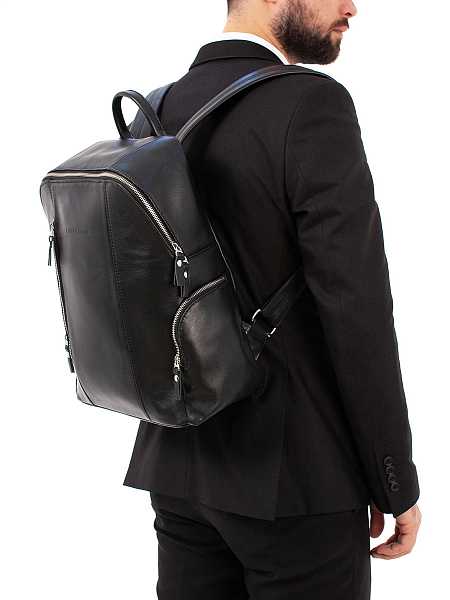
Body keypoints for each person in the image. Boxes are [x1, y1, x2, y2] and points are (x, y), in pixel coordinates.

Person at [123, 1, 422, 597]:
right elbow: (356, 308)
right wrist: (393, 478)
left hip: (178, 467)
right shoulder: (312, 104)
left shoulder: (154, 112)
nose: (352, 6)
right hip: (300, 482)